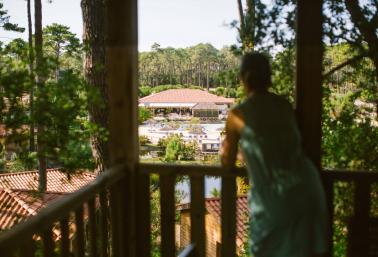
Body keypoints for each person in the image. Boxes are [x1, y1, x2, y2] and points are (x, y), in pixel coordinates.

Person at [221, 53, 329, 257]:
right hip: (309, 189)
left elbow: (227, 163)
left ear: (244, 77)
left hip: (275, 200)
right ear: (268, 76)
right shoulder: (283, 105)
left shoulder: (238, 114)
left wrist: (227, 152)